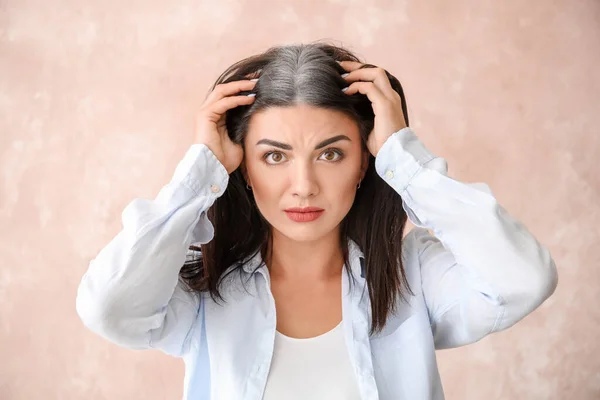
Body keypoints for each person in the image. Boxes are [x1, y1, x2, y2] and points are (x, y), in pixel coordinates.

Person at [75, 42, 559, 400]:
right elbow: (108, 309)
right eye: (274, 156)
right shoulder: (202, 286)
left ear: (366, 162)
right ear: (241, 166)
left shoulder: (414, 276)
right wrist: (199, 172)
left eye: (330, 153)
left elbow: (523, 280)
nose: (303, 184)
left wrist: (405, 161)